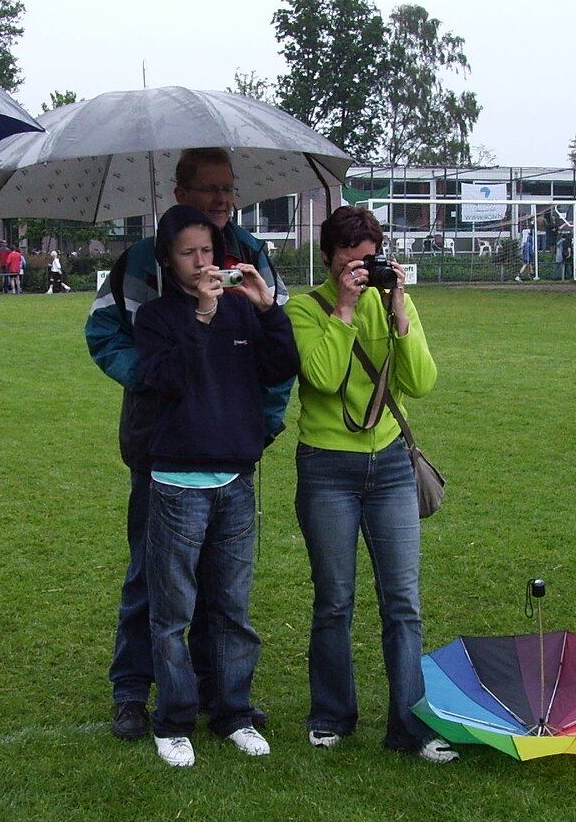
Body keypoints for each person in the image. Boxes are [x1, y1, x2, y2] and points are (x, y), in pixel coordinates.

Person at [84, 147, 291, 741]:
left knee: (222, 582)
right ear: (180, 194)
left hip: (230, 442)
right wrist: (151, 380)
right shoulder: (139, 261)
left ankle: (214, 687)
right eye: (207, 189)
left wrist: (263, 421)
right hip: (161, 443)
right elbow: (103, 334)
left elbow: (277, 350)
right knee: (151, 575)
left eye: (227, 188)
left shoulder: (250, 255)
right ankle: (132, 690)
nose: (220, 199)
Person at [284, 205, 457, 764]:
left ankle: (412, 724)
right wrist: (343, 310)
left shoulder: (392, 303)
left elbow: (420, 382)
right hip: (327, 467)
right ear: (328, 258)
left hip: (390, 466)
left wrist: (399, 313)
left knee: (403, 603)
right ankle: (331, 715)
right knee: (334, 600)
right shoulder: (305, 309)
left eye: (369, 260)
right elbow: (322, 378)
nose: (361, 270)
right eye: (350, 261)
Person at [133, 205, 299, 767]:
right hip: (177, 480)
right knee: (173, 612)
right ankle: (174, 720)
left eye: (208, 250)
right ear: (168, 259)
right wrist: (202, 316)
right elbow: (166, 379)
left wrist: (268, 309)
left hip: (235, 476)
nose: (202, 262)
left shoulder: (241, 310)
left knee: (232, 607)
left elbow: (282, 367)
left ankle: (233, 712)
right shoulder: (156, 317)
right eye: (188, 253)